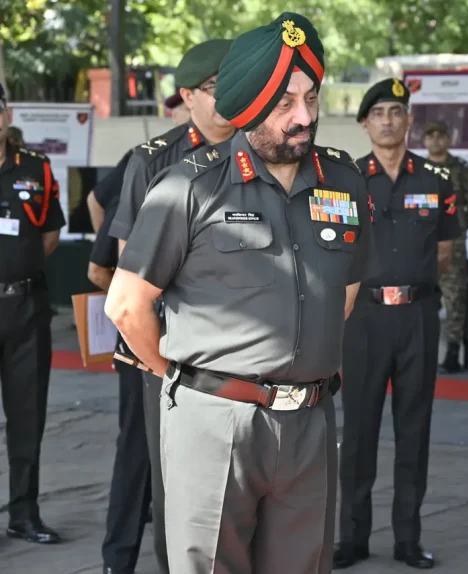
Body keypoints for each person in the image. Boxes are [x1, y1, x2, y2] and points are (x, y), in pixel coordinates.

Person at [104, 12, 372, 573]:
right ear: (248, 109)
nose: (304, 117)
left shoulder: (343, 181)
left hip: (311, 422)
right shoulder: (189, 184)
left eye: (311, 98)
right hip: (215, 423)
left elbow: (343, 293)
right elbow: (126, 304)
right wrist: (186, 379)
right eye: (284, 104)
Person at [106, 38, 235, 574]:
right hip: (157, 348)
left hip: (228, 348)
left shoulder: (258, 151)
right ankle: (121, 559)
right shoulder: (154, 160)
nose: (229, 97)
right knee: (148, 462)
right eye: (215, 88)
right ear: (187, 95)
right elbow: (127, 270)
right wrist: (163, 359)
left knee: (222, 479)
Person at [334, 79, 461, 570]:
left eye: (396, 111)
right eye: (378, 113)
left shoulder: (436, 179)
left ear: (409, 121)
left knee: (414, 429)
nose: (388, 119)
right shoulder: (344, 179)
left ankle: (408, 539)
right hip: (361, 317)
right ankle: (352, 537)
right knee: (359, 430)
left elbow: (445, 253)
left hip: (417, 317)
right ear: (364, 124)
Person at [0, 82, 65, 544]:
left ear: (7, 114)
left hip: (25, 307)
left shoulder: (36, 170)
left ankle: (23, 514)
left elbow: (49, 233)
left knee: (28, 417)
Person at [87, 155, 153, 574]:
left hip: (209, 346)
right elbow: (100, 268)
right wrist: (142, 315)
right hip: (145, 344)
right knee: (137, 450)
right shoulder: (147, 161)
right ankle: (119, 560)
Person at [423, 121, 468, 373]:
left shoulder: (461, 169)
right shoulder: (416, 169)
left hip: (452, 246)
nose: (436, 140)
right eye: (431, 135)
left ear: (449, 139)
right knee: (422, 297)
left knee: (455, 297)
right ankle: (423, 351)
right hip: (421, 243)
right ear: (425, 140)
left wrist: (455, 228)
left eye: (441, 135)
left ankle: (454, 351)